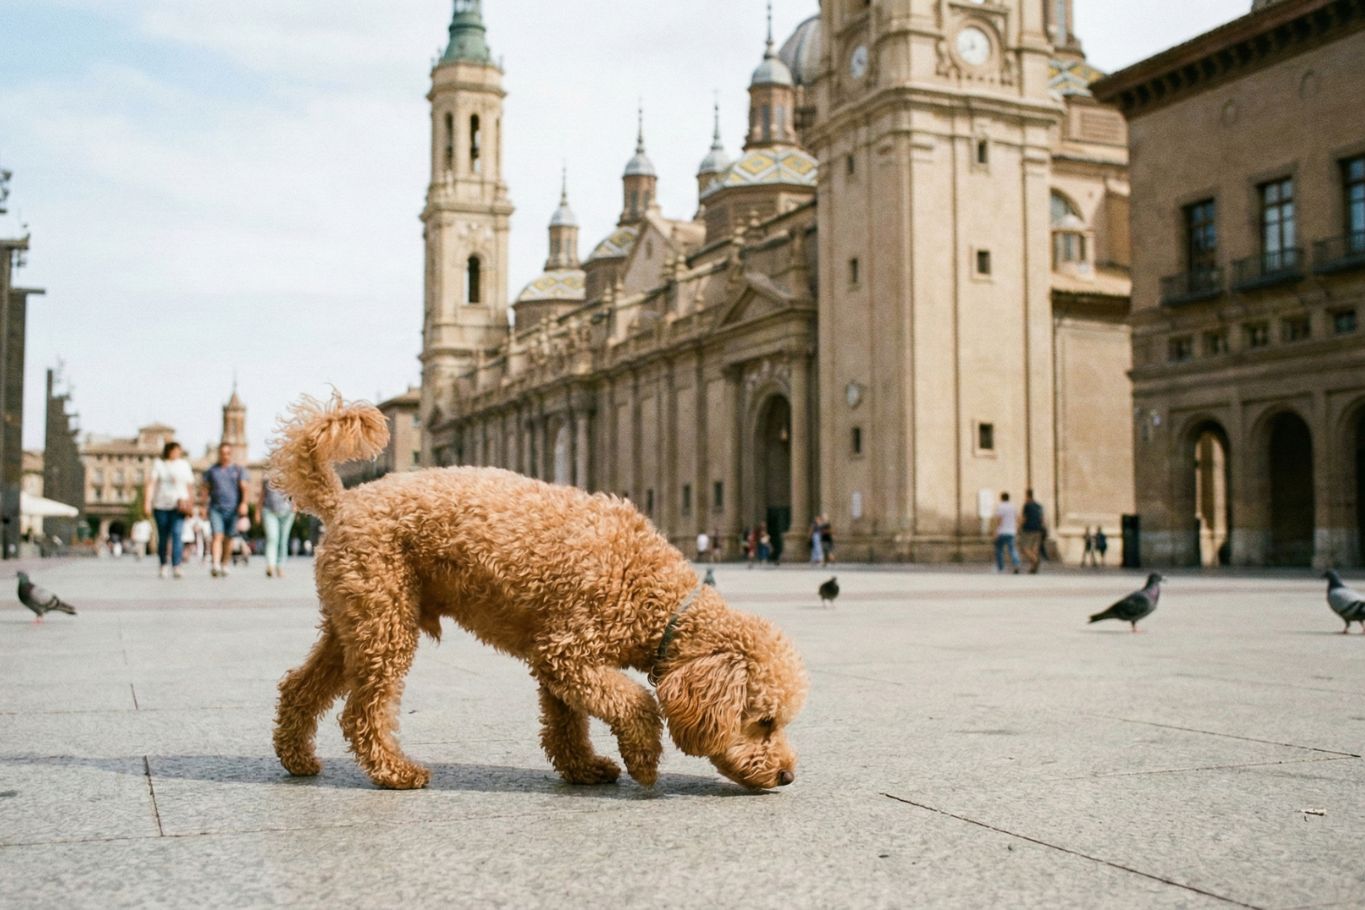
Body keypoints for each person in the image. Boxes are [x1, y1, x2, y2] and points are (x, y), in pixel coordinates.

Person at [145, 440, 195, 579]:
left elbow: (190, 486)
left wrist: (191, 504)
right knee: (163, 537)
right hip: (161, 505)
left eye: (179, 450)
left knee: (177, 534)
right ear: (169, 451)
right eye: (175, 450)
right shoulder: (159, 464)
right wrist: (147, 502)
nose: (177, 453)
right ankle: (163, 564)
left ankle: (176, 565)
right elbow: (151, 484)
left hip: (179, 506)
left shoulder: (184, 465)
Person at [202, 442, 249, 578]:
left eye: (228, 453)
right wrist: (204, 507)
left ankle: (225, 564)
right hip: (215, 508)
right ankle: (215, 564)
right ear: (219, 454)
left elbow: (244, 488)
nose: (225, 456)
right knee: (217, 536)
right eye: (222, 453)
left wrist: (244, 504)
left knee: (229, 538)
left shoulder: (238, 470)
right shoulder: (212, 471)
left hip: (233, 509)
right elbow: (205, 490)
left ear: (231, 454)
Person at [260, 478, 295, 578]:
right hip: (269, 510)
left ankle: (280, 566)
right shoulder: (267, 476)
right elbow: (263, 494)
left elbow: (295, 492)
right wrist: (258, 511)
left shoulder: (291, 474)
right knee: (272, 538)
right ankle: (270, 565)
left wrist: (296, 506)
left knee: (283, 540)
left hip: (287, 512)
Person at [991, 491, 1021, 574]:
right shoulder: (1013, 506)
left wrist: (995, 531)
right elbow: (1018, 518)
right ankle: (1016, 564)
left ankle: (1001, 567)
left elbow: (999, 520)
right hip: (1011, 532)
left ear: (1001, 498)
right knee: (1012, 549)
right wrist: (1017, 528)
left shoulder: (1000, 507)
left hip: (1002, 532)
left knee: (999, 550)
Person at [1019, 489, 1046, 574]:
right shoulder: (1039, 506)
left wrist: (1019, 527)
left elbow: (1024, 518)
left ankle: (1035, 560)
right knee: (1035, 549)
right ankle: (1033, 568)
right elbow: (1042, 519)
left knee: (1024, 548)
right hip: (1038, 529)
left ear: (1027, 495)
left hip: (1028, 529)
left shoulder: (1027, 505)